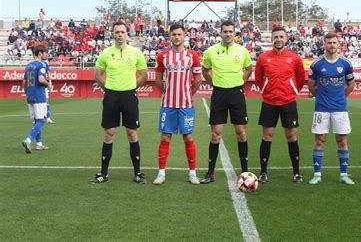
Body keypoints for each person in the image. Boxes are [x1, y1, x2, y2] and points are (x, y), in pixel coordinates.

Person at [89, 22, 148, 184]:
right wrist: (108, 89)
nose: (120, 34)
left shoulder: (136, 53)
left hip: (129, 96)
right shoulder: (105, 53)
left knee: (132, 133)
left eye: (123, 32)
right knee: (109, 134)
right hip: (111, 97)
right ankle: (103, 173)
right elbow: (98, 75)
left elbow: (144, 74)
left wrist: (131, 87)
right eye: (117, 32)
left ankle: (138, 173)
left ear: (127, 34)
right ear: (113, 34)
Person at [200, 20, 253, 184]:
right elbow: (205, 70)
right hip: (219, 94)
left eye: (231, 31)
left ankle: (245, 173)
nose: (228, 34)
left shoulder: (243, 51)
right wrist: (213, 83)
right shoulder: (210, 52)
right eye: (225, 31)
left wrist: (241, 82)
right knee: (216, 134)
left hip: (237, 94)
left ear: (235, 33)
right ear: (220, 33)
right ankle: (210, 173)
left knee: (241, 133)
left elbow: (249, 69)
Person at [254, 27, 305, 183]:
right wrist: (267, 90)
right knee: (267, 136)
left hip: (288, 102)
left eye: (281, 36)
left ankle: (296, 172)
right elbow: (258, 78)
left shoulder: (294, 58)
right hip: (269, 102)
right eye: (276, 37)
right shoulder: (263, 58)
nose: (278, 39)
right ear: (272, 39)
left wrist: (292, 90)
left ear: (286, 38)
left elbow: (300, 78)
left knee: (291, 136)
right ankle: (263, 172)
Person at [153, 24, 202, 185]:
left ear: (184, 35)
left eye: (179, 34)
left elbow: (197, 80)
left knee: (188, 137)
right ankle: (161, 173)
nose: (176, 37)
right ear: (170, 36)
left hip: (186, 105)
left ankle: (192, 173)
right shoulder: (163, 56)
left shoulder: (192, 56)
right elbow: (158, 80)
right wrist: (166, 92)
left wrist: (187, 93)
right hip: (168, 104)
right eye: (173, 34)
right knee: (165, 136)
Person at [307, 32, 356, 185]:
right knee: (320, 140)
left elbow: (351, 85)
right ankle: (317, 174)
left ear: (338, 44)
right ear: (324, 44)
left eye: (334, 42)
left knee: (342, 140)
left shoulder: (346, 64)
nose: (332, 45)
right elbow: (311, 86)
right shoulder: (317, 64)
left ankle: (344, 175)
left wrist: (341, 97)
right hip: (321, 108)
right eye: (329, 43)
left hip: (340, 108)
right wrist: (320, 97)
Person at [21, 45, 50, 153]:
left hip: (30, 96)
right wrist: (48, 84)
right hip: (39, 96)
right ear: (40, 53)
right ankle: (28, 140)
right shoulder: (41, 65)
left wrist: (26, 93)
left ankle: (39, 144)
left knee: (36, 121)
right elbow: (41, 79)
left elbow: (24, 82)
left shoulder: (28, 66)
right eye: (45, 52)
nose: (47, 54)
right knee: (41, 120)